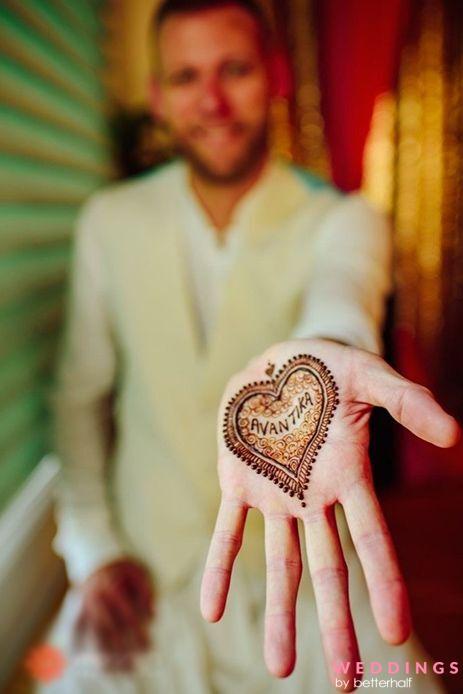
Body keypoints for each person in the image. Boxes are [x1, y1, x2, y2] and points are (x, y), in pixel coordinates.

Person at [42, 1, 459, 692]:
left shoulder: (344, 221)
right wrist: (94, 551)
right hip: (144, 578)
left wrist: (321, 357)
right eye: (184, 76)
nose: (210, 100)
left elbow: (341, 298)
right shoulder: (108, 221)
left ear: (275, 76)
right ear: (157, 97)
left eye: (233, 69)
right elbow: (77, 398)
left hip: (302, 570)